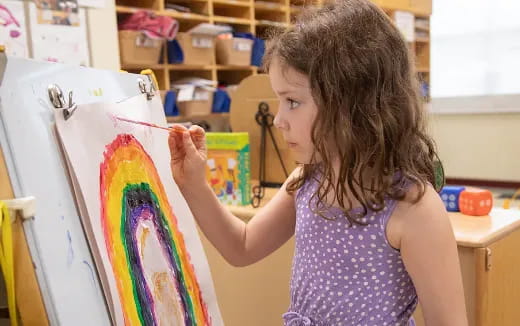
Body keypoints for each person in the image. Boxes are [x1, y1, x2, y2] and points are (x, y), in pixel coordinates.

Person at [168, 0, 467, 324]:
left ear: (354, 104)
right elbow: (241, 246)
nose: (279, 120)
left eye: (293, 102)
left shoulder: (414, 209)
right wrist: (194, 185)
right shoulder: (306, 181)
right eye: (279, 101)